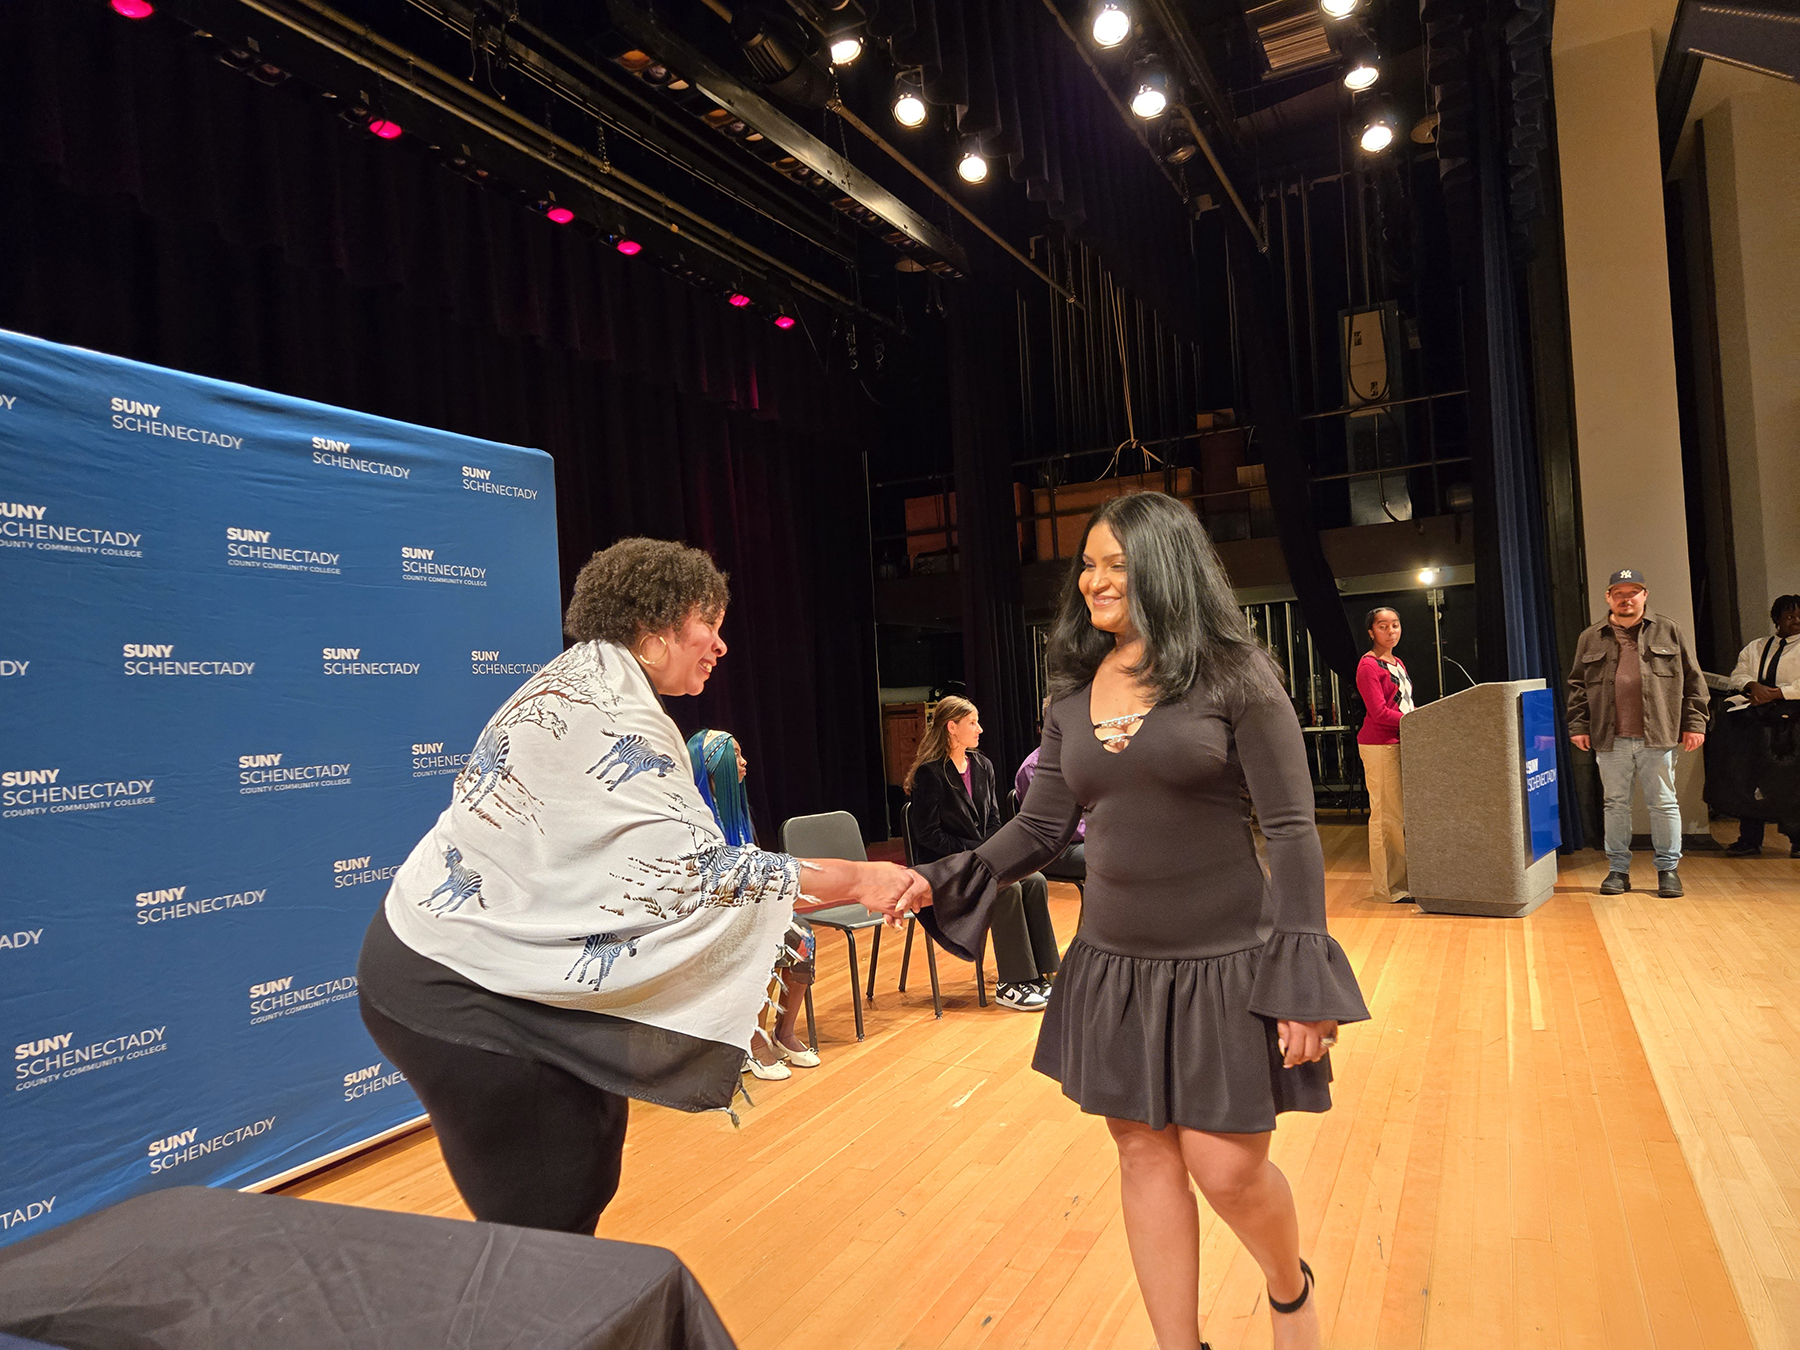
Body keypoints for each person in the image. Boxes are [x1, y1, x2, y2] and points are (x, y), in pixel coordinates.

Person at [905, 492, 1369, 1350]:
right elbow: (1042, 828)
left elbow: (1296, 830)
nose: (1095, 578)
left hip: (1228, 959)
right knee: (1142, 1151)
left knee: (1228, 1169)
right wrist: (936, 880)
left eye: (1116, 561)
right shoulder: (1075, 690)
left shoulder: (1234, 673)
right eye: (1088, 562)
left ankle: (1287, 1287)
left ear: (1167, 564)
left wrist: (1304, 978)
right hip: (1116, 961)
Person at [356, 537, 925, 1236]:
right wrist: (861, 877)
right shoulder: (612, 714)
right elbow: (705, 879)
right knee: (553, 1203)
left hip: (475, 967)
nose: (720, 646)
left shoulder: (587, 679)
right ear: (654, 626)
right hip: (450, 984)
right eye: (707, 626)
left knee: (589, 1149)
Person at [906, 696, 1061, 1011]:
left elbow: (992, 821)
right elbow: (927, 836)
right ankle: (1012, 983)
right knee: (1007, 890)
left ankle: (1041, 973)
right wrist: (977, 854)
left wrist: (993, 854)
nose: (980, 729)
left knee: (1035, 880)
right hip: (946, 869)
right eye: (972, 722)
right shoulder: (930, 774)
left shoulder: (983, 766)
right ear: (952, 727)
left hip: (981, 861)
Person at [1566, 568, 1709, 897]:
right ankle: (1618, 870)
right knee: (1614, 805)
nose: (1626, 599)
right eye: (1619, 593)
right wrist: (1578, 725)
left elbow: (1693, 680)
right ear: (1608, 597)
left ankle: (1668, 870)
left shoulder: (1668, 631)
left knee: (1663, 803)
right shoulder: (1591, 637)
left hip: (1658, 736)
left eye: (1633, 592)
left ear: (1644, 595)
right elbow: (1576, 686)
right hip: (1609, 737)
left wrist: (1695, 723)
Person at [687, 728, 821, 1078]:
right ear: (714, 763)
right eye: (735, 755)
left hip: (745, 912)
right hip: (706, 922)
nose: (744, 762)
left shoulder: (737, 814)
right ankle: (751, 1039)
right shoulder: (693, 819)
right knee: (764, 944)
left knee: (802, 938)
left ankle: (783, 1030)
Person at [1721, 595, 1800, 857]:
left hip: (1792, 723)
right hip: (1756, 721)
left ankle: (1798, 841)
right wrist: (1752, 686)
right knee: (1748, 778)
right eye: (1790, 616)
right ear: (1776, 620)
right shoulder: (1757, 647)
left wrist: (1777, 693)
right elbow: (1739, 673)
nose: (1796, 621)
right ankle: (1750, 839)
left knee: (1791, 782)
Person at [1355, 607, 1413, 903]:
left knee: (1399, 816)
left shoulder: (1397, 661)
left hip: (1402, 742)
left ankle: (1405, 881)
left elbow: (1403, 704)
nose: (1391, 631)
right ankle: (1389, 889)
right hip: (1380, 746)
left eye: (1395, 625)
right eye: (1383, 626)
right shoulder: (1368, 666)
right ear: (1371, 632)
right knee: (1385, 818)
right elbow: (1378, 713)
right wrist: (1414, 720)